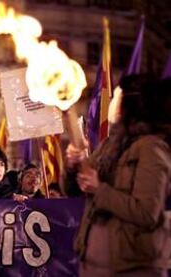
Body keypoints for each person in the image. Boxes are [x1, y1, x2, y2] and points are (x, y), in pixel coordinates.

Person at [63, 75, 171, 276]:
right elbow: (74, 189)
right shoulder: (108, 146)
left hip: (132, 268)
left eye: (116, 96)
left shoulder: (151, 147)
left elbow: (146, 213)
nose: (111, 101)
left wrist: (99, 189)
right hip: (94, 264)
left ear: (127, 105)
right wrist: (72, 165)